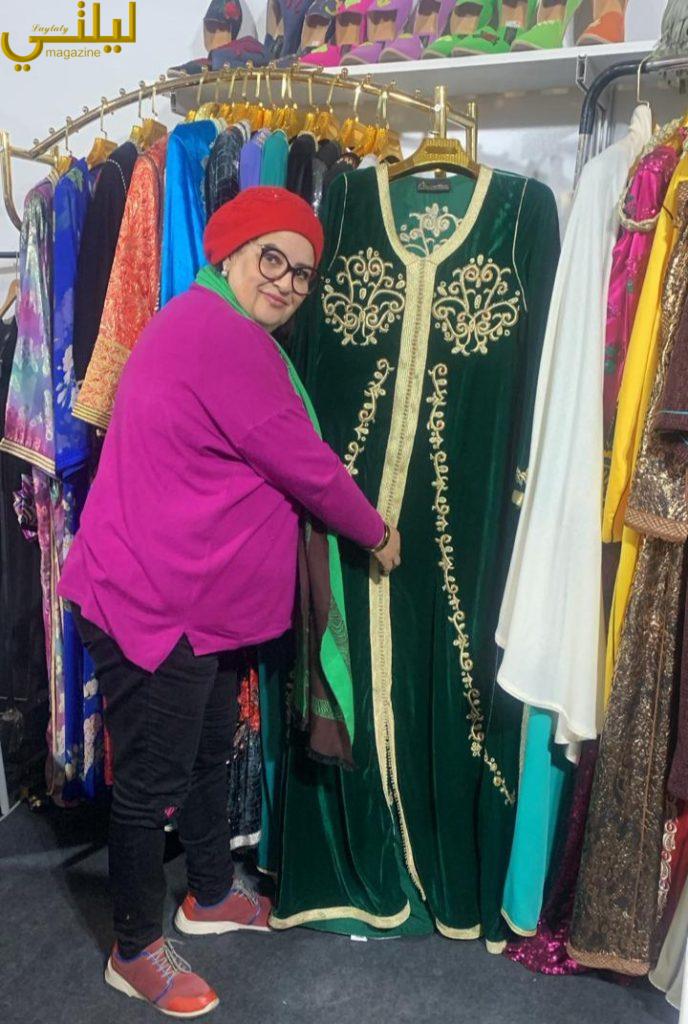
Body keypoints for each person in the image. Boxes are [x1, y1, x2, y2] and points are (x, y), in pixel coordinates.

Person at [58, 186, 401, 1018]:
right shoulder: (222, 337)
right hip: (156, 604)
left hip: (190, 602)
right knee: (151, 781)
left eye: (302, 273)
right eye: (271, 258)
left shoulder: (214, 321)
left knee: (209, 751)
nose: (286, 282)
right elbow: (305, 464)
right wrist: (377, 532)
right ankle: (134, 949)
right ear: (232, 254)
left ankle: (208, 893)